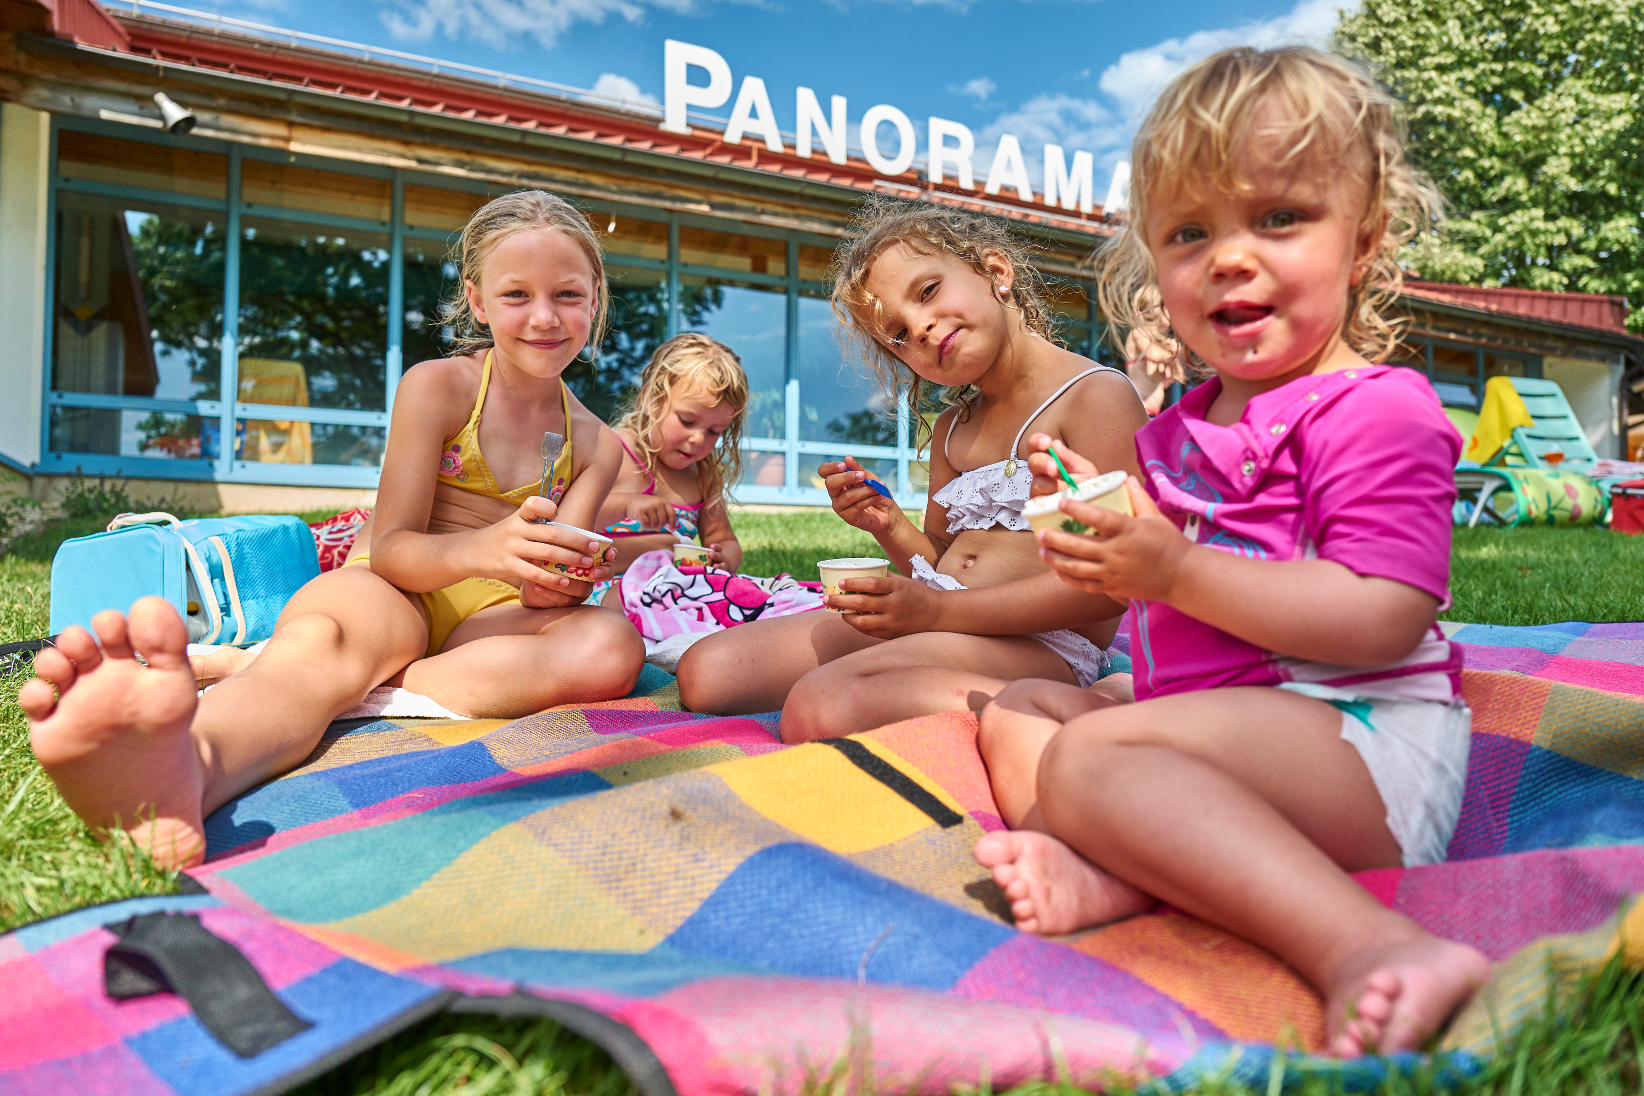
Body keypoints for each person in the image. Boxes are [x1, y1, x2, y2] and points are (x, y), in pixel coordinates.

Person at [971, 47, 1490, 1058]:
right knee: (1024, 710)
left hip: (1359, 738)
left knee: (1089, 751)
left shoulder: (1375, 408)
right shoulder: (1176, 429)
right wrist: (1102, 523)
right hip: (1226, 733)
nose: (1229, 256)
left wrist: (1176, 570)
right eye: (1190, 232)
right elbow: (1169, 602)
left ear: (1367, 238)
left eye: (1280, 218)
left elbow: (1384, 609)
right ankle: (1134, 866)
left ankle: (1369, 944)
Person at [23, 189, 645, 869]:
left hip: (486, 625)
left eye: (567, 294)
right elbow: (397, 550)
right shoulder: (438, 388)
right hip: (392, 586)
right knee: (323, 641)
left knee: (610, 649)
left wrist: (568, 576)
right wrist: (487, 550)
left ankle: (352, 686)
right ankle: (187, 765)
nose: (544, 317)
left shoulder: (596, 443)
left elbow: (545, 597)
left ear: (597, 297)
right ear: (477, 300)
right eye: (517, 295)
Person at [676, 199, 1148, 740]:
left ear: (996, 272)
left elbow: (1108, 590)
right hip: (942, 618)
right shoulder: (952, 427)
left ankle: (1081, 704)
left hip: (1042, 645)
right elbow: (941, 561)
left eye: (927, 292)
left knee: (820, 706)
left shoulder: (1093, 398)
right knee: (706, 672)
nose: (919, 327)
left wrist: (936, 613)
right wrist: (889, 526)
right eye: (897, 335)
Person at [596, 332, 747, 579]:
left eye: (714, 431)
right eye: (687, 421)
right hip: (606, 594)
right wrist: (627, 505)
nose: (699, 439)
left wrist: (724, 560)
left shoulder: (701, 475)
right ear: (650, 400)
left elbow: (724, 539)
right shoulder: (613, 452)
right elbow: (570, 523)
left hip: (674, 595)